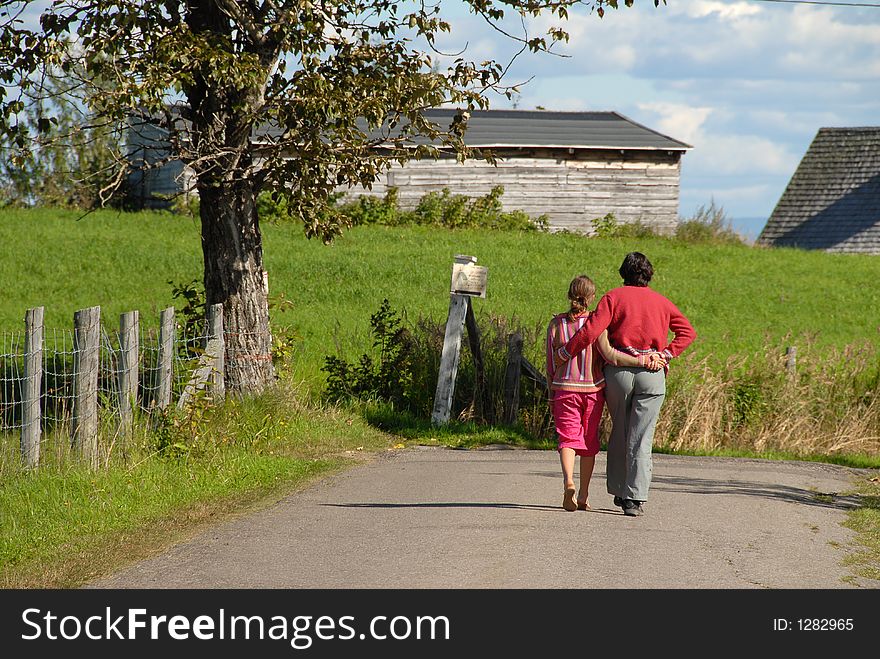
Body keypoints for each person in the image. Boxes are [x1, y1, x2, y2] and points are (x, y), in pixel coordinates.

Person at [553, 253, 696, 517]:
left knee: (619, 430)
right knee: (642, 436)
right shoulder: (662, 302)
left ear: (623, 273)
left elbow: (591, 331)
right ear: (649, 274)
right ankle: (634, 498)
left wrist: (566, 352)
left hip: (619, 374)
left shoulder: (613, 297)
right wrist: (664, 354)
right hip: (652, 374)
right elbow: (688, 332)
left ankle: (619, 490)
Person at [546, 274, 665, 513]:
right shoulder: (595, 323)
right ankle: (583, 495)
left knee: (568, 439)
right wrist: (640, 360)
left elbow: (550, 363)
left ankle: (568, 481)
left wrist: (551, 392)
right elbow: (610, 355)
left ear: (570, 295)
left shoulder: (556, 324)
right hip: (592, 390)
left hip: (564, 389)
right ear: (591, 298)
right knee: (589, 442)